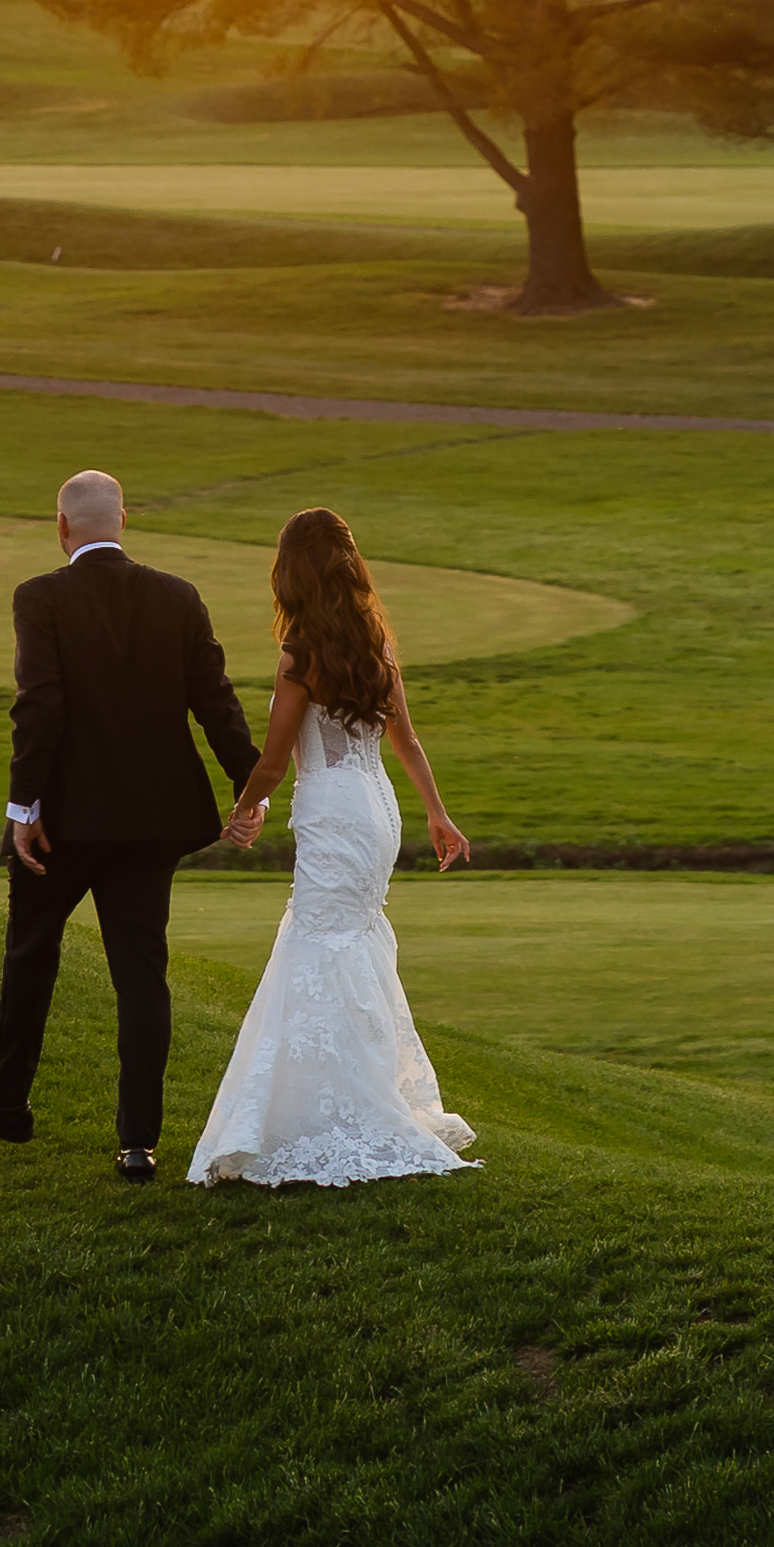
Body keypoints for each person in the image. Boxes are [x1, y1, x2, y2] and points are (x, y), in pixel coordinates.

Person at [0, 467, 259, 1182]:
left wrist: (23, 808)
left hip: (64, 826)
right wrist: (251, 785)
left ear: (62, 528)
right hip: (152, 824)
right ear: (124, 520)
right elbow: (216, 700)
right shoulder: (178, 596)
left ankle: (7, 1102)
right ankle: (138, 1142)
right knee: (143, 977)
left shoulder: (39, 596)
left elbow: (40, 706)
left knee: (31, 953)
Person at [185, 505, 477, 1190]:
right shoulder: (377, 644)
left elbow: (276, 759)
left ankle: (336, 1110)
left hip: (334, 812)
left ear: (292, 575)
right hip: (379, 810)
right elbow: (405, 740)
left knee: (320, 942)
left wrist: (243, 805)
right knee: (351, 939)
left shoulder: (302, 654)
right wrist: (436, 813)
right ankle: (352, 1090)